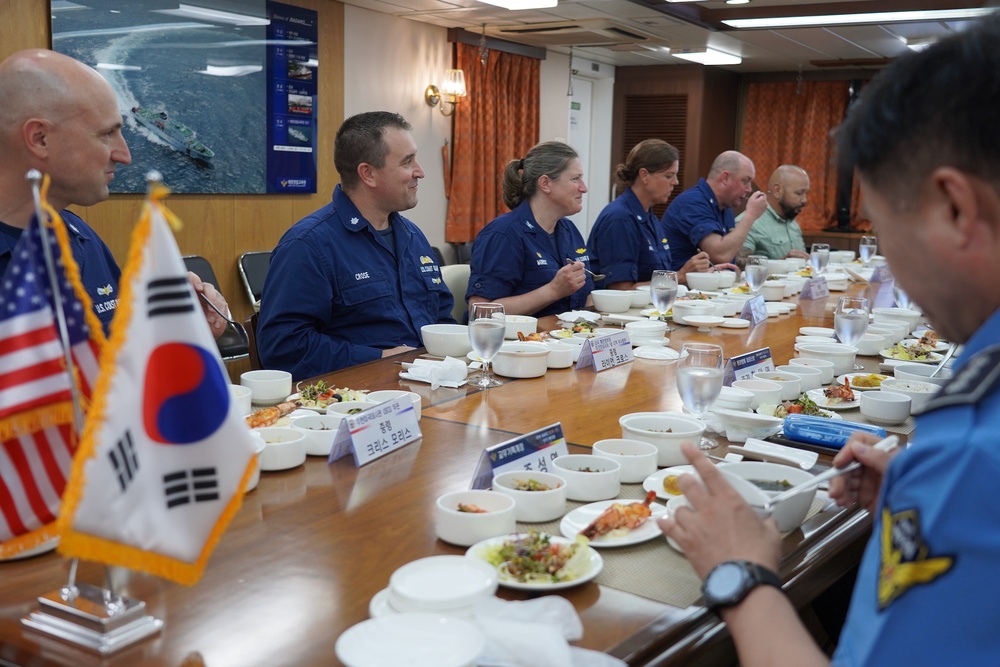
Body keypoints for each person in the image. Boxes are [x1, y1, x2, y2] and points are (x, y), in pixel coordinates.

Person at [657, 15, 1000, 666]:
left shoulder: (970, 463)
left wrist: (741, 573)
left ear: (954, 208)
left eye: (885, 219)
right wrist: (919, 491)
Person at [0, 49, 229, 337]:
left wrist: (179, 322)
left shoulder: (80, 237)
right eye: (106, 134)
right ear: (40, 139)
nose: (124, 155)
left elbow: (115, 357)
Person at [257, 111, 454, 380]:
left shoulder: (412, 237)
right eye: (407, 162)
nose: (420, 172)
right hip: (358, 397)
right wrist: (379, 359)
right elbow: (283, 347)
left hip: (432, 384)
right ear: (368, 174)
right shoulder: (308, 245)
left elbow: (441, 319)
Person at [467, 141, 593, 317]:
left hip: (569, 338)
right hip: (520, 342)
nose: (584, 188)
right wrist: (552, 291)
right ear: (545, 184)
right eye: (575, 178)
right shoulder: (503, 234)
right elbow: (480, 312)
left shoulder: (568, 230)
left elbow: (585, 296)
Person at [587, 139, 734, 289]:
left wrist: (697, 275)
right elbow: (620, 291)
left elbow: (659, 279)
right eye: (669, 176)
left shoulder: (650, 217)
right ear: (644, 175)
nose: (675, 182)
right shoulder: (620, 219)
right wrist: (680, 276)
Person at [662, 150, 767, 270]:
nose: (749, 189)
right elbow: (720, 255)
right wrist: (750, 215)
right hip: (683, 286)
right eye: (745, 181)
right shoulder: (692, 202)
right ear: (725, 178)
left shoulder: (725, 206)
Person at [738, 165, 811, 261]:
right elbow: (742, 269)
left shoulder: (793, 224)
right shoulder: (749, 223)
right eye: (799, 193)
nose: (804, 200)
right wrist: (782, 263)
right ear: (777, 190)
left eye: (806, 193)